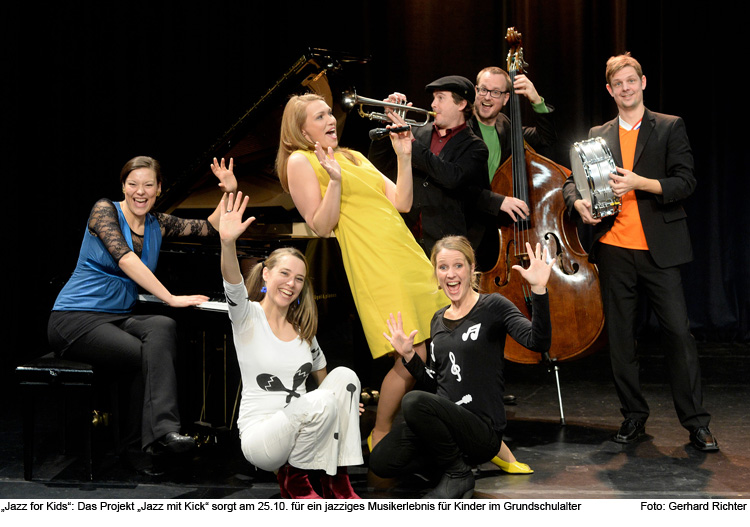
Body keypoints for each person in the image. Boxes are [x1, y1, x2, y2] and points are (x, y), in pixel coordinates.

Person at [562, 53, 718, 451]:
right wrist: (577, 203)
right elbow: (573, 182)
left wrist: (640, 183)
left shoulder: (669, 127)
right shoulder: (599, 134)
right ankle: (633, 416)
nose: (627, 88)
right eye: (619, 83)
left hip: (658, 251)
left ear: (643, 82)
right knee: (621, 340)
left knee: (679, 335)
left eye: (633, 80)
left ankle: (696, 423)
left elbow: (685, 183)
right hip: (614, 250)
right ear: (610, 90)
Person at [275, 93, 448, 449]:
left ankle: (417, 427)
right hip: (376, 262)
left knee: (439, 338)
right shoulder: (300, 161)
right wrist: (334, 182)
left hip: (406, 254)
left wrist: (403, 156)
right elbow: (321, 225)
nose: (331, 120)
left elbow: (401, 202)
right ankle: (380, 433)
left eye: (330, 114)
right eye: (320, 117)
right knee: (411, 349)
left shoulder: (351, 155)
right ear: (302, 130)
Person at [47, 155, 236, 467]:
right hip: (74, 318)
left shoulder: (157, 224)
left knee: (162, 327)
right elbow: (125, 259)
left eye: (149, 184)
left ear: (159, 189)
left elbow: (209, 228)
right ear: (123, 186)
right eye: (133, 184)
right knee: (144, 352)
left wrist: (228, 191)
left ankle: (163, 434)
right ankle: (145, 443)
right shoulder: (104, 210)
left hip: (116, 318)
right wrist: (170, 297)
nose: (140, 191)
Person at [370, 235, 553, 498]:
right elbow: (436, 384)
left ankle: (458, 474)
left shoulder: (493, 306)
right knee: (381, 462)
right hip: (448, 426)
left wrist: (539, 291)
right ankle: (449, 465)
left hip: (481, 430)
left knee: (412, 402)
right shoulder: (437, 320)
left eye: (458, 266)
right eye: (443, 267)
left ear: (471, 268)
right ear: (436, 273)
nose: (451, 274)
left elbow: (538, 342)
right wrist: (410, 357)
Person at [218, 191, 363, 499]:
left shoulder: (302, 330)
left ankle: (335, 481)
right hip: (263, 439)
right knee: (322, 401)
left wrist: (344, 406)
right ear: (266, 275)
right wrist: (227, 242)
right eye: (284, 273)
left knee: (347, 379)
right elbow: (232, 282)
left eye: (299, 278)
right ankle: (294, 483)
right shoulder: (247, 317)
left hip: (303, 434)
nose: (291, 283)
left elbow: (325, 377)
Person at [368, 75, 489, 258]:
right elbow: (378, 165)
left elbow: (451, 177)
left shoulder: (475, 147)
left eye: (440, 98)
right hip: (403, 237)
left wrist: (412, 145)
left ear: (461, 104)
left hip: (445, 246)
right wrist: (387, 122)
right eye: (434, 98)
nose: (433, 104)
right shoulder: (416, 132)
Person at [466, 66, 557, 272]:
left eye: (496, 92)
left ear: (506, 99)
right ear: (475, 91)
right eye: (483, 90)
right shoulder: (462, 127)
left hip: (500, 229)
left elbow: (546, 138)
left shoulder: (505, 125)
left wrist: (536, 100)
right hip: (469, 227)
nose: (487, 98)